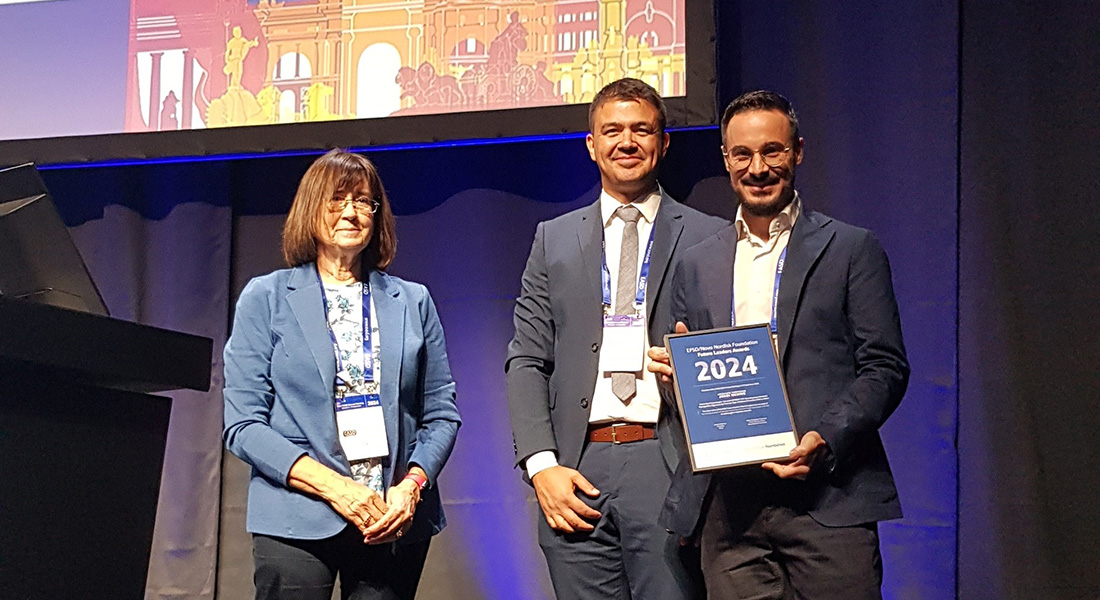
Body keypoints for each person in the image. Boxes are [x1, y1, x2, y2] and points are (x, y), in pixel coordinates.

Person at [648, 90, 910, 599]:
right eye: (742, 155)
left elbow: (885, 367)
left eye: (773, 151)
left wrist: (825, 438)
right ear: (726, 159)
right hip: (730, 514)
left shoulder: (852, 249)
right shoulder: (696, 262)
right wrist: (675, 382)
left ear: (798, 152)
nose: (758, 168)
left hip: (828, 500)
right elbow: (686, 393)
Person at [505, 78, 727, 600]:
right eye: (612, 131)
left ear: (663, 142)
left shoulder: (710, 236)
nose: (626, 142)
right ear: (591, 144)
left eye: (641, 130)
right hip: (577, 467)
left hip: (666, 459)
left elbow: (725, 354)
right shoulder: (552, 239)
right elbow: (527, 360)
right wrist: (542, 467)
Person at [223, 149, 461, 600]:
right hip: (296, 513)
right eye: (337, 200)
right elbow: (243, 425)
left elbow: (441, 415)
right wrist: (337, 489)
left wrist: (411, 486)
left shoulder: (413, 300)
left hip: (391, 518)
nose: (351, 212)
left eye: (363, 201)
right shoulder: (267, 297)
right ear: (311, 208)